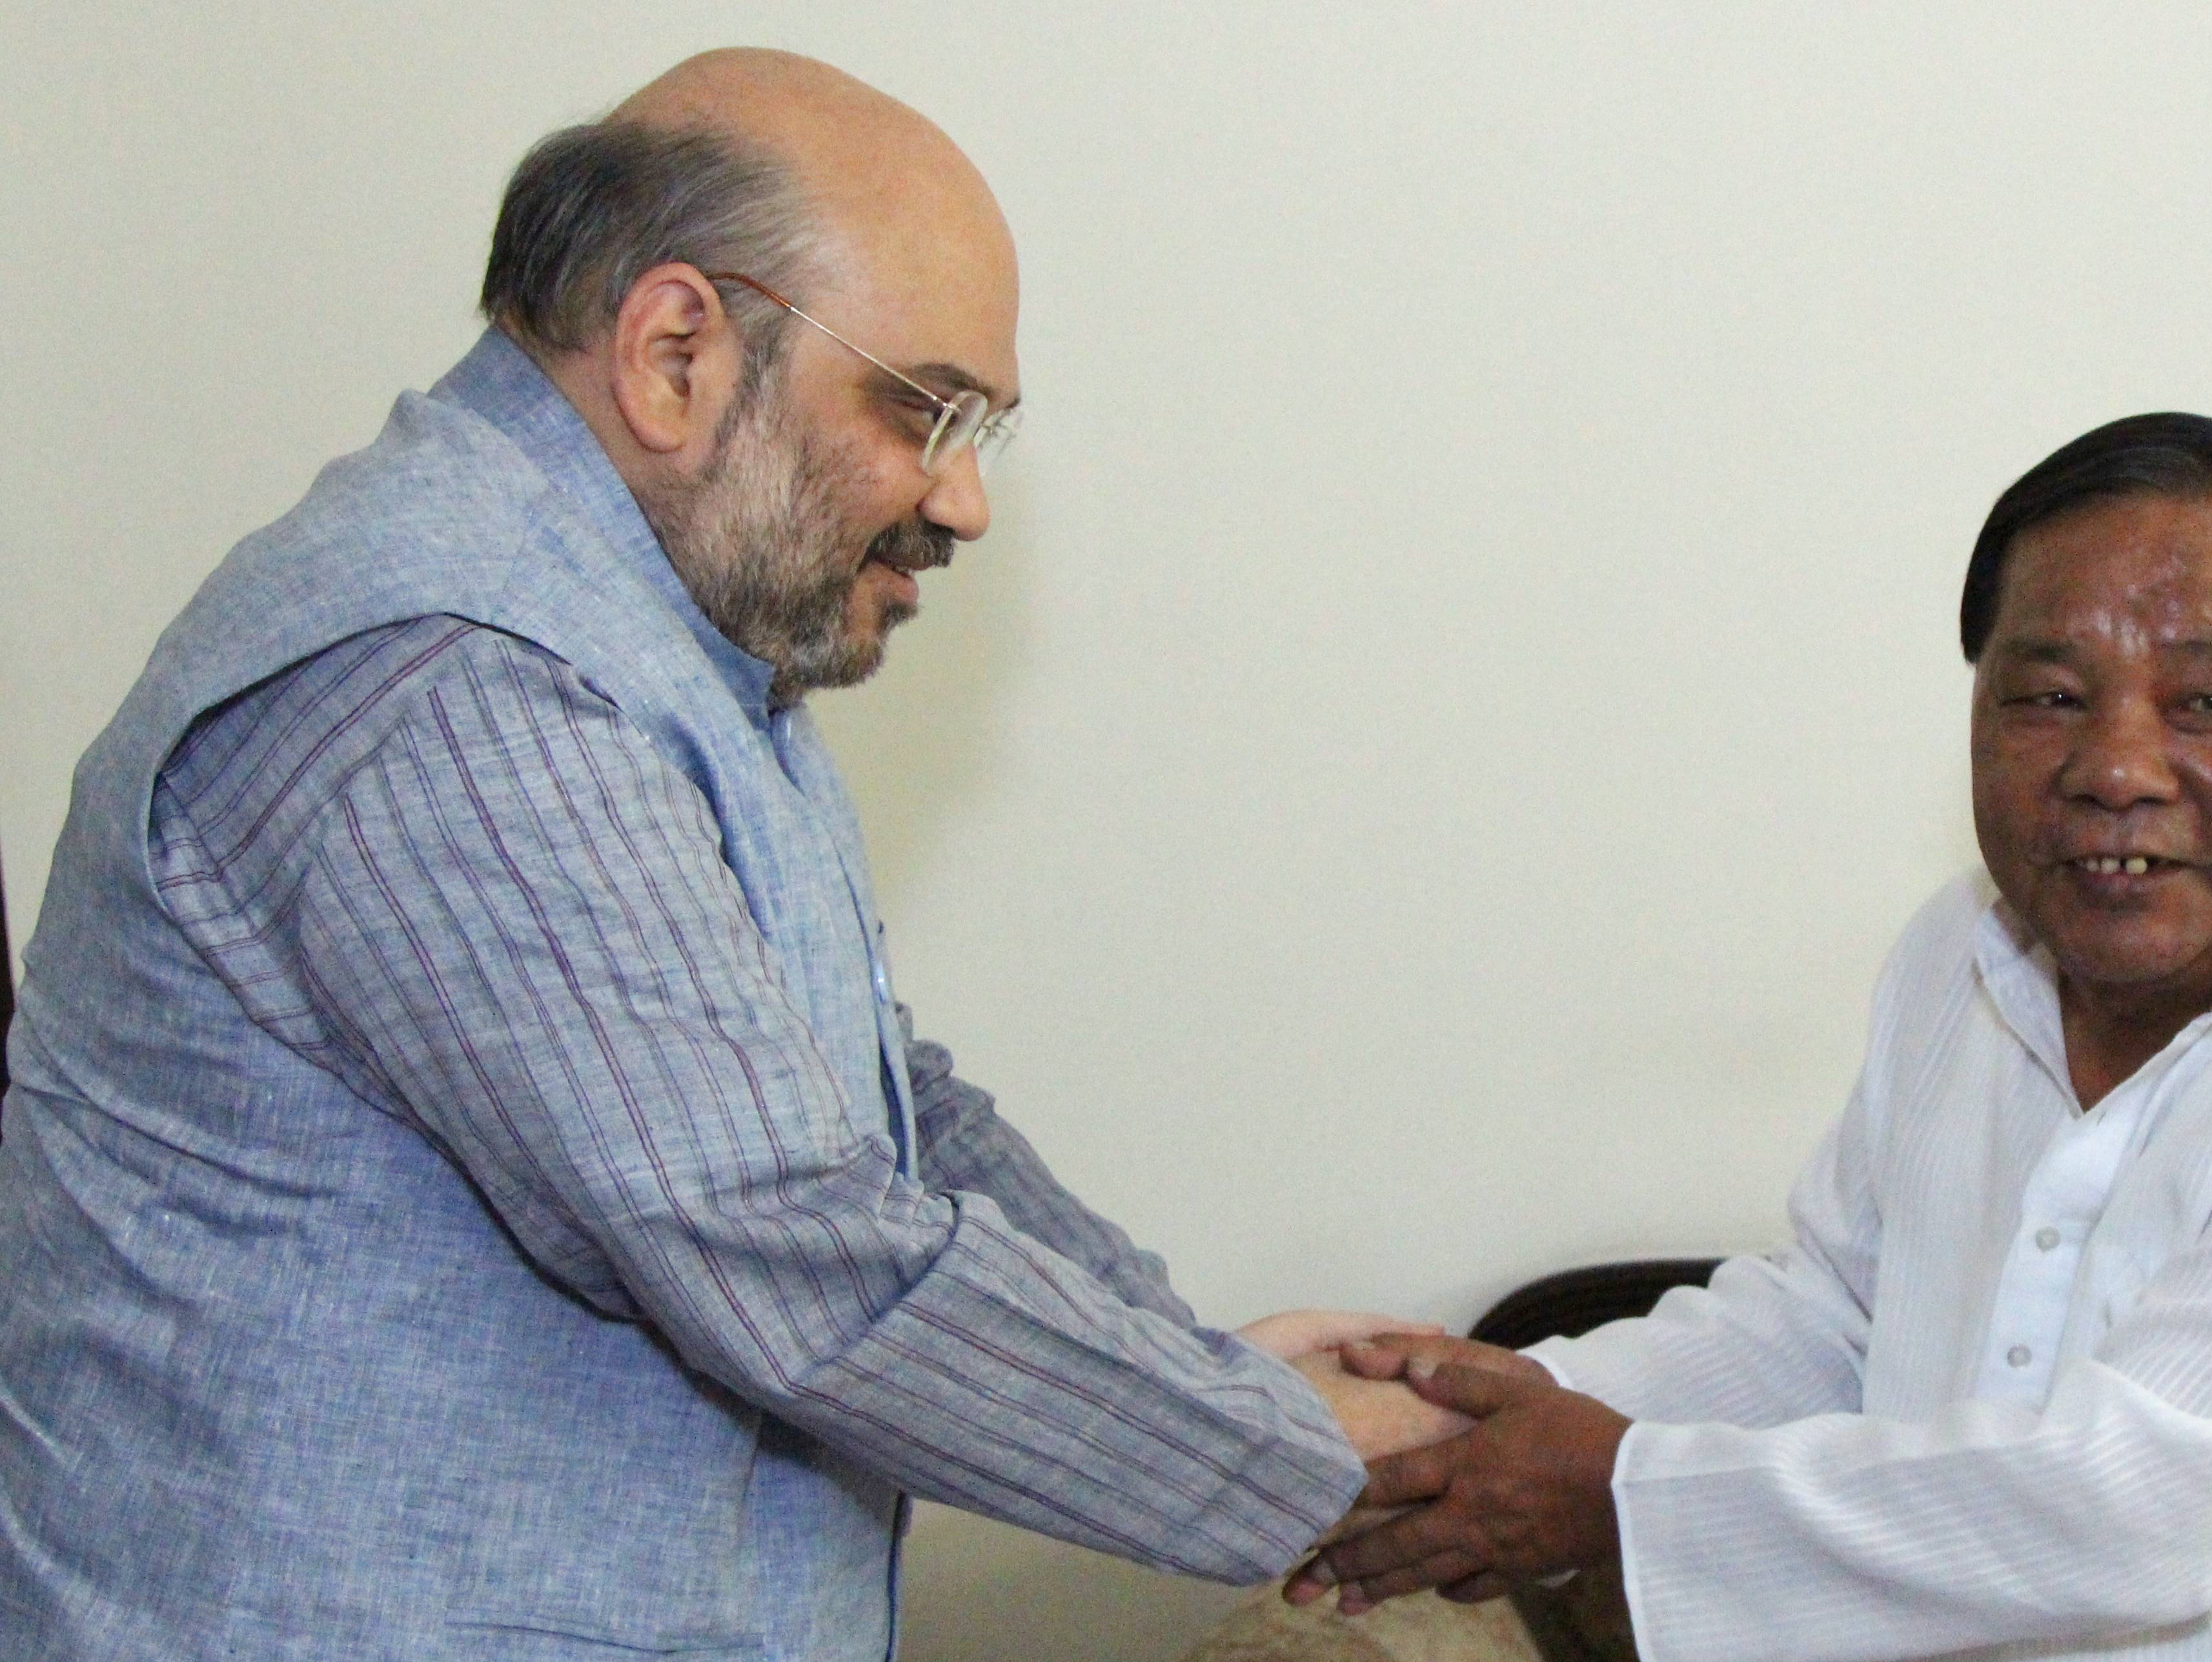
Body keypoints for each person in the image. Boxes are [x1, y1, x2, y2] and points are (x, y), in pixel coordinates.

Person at [0, 49, 1457, 1662]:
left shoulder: (651, 651)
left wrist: (1195, 1365)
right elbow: (780, 1241)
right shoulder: (455, 680)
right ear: (676, 350)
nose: (963, 501)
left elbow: (881, 1110)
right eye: (924, 410)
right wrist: (1280, 1453)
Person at [1298, 414, 2212, 1660]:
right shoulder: (1961, 956)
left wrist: (1609, 1491)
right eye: (2049, 696)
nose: (2116, 768)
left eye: (2205, 701)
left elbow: (2144, 1503)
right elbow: (1844, 1322)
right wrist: (1473, 1409)